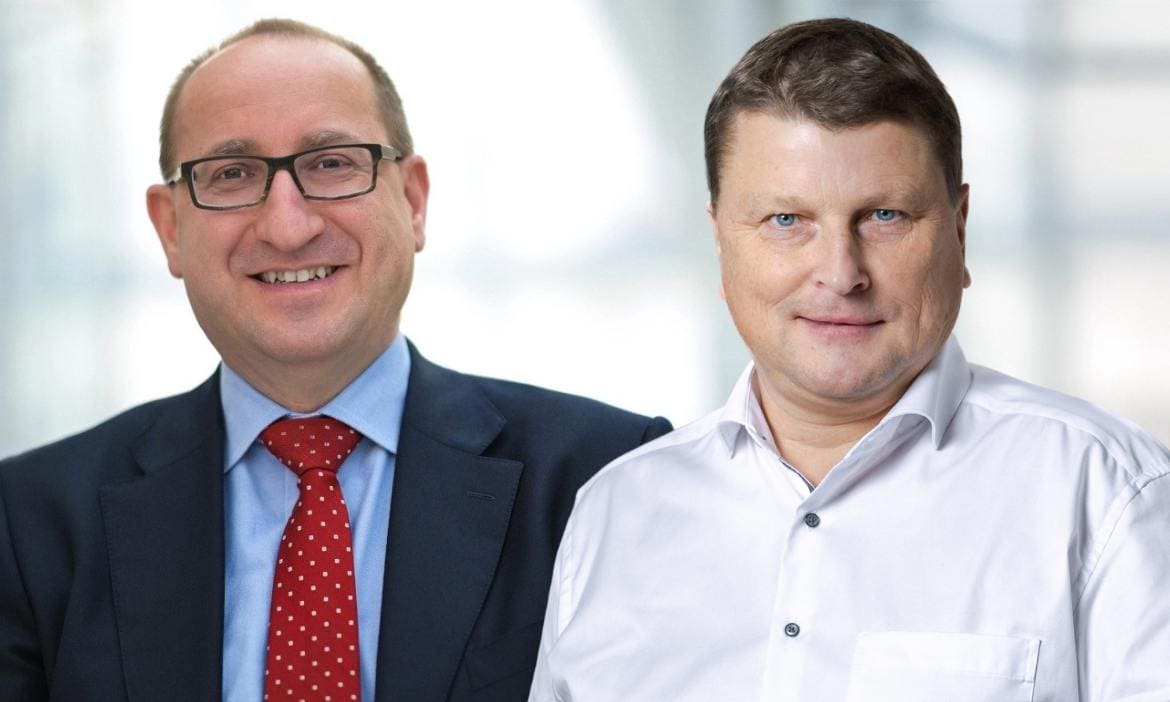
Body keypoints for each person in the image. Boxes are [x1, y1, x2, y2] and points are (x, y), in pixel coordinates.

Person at [0, 19, 671, 702]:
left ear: (413, 201)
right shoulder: (29, 522)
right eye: (231, 175)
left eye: (331, 164)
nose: (288, 227)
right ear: (170, 229)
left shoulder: (607, 476)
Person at [529, 17, 1170, 702]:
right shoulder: (616, 514)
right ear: (720, 241)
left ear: (959, 230)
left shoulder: (1106, 494)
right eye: (786, 220)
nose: (841, 273)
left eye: (885, 216)